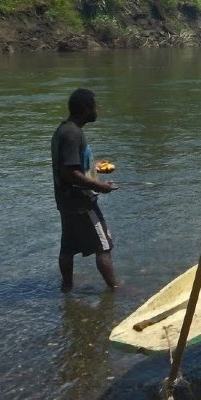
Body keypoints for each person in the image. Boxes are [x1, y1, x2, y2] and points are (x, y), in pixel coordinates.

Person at [51, 88, 119, 292]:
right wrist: (101, 187)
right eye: (95, 106)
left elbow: (71, 166)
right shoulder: (73, 133)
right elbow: (69, 173)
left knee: (68, 247)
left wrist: (93, 167)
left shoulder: (64, 130)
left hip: (66, 201)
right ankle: (115, 290)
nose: (98, 110)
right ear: (85, 110)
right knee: (103, 245)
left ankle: (67, 288)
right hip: (81, 202)